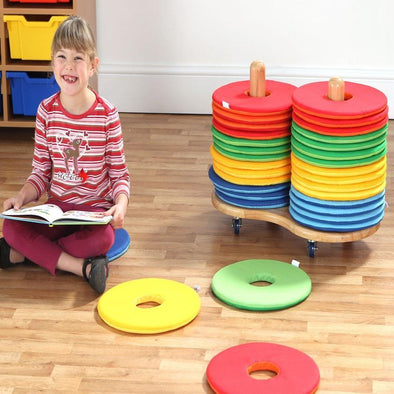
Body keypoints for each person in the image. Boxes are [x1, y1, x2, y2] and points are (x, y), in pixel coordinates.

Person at [0, 15, 130, 294]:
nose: (69, 66)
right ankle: (82, 267)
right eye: (62, 57)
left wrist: (121, 204)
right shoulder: (46, 111)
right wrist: (21, 197)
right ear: (52, 63)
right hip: (57, 211)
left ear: (93, 66)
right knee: (10, 227)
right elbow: (40, 173)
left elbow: (119, 174)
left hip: (92, 214)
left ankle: (25, 255)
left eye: (78, 58)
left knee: (104, 239)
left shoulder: (107, 114)